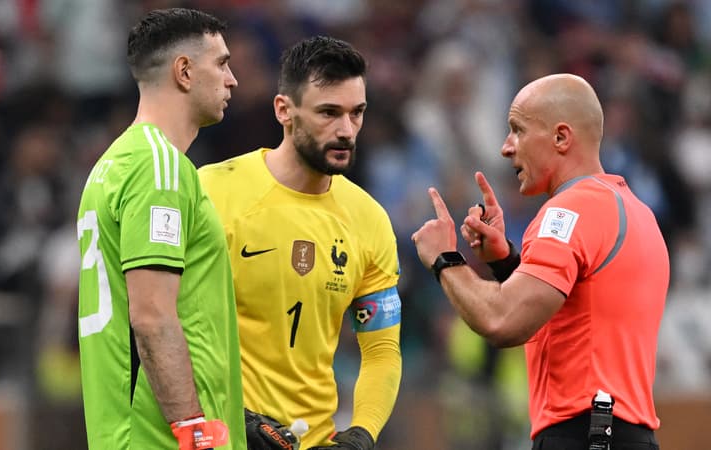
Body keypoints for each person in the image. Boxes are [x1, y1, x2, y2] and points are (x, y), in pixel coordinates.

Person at [411, 73, 668, 450]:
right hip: (626, 434)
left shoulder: (568, 210)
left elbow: (503, 321)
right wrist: (505, 261)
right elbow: (566, 315)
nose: (505, 147)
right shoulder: (638, 212)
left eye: (517, 130)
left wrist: (443, 257)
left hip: (583, 435)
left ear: (561, 138)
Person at [199, 36, 402, 450]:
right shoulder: (212, 193)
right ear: (284, 111)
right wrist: (224, 419)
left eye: (356, 113)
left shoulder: (369, 220)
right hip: (222, 439)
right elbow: (164, 323)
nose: (346, 131)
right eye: (329, 113)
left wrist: (362, 432)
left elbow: (381, 350)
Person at [76, 8, 246, 449]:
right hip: (161, 439)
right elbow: (152, 316)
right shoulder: (159, 166)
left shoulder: (115, 162)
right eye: (222, 64)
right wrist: (194, 431)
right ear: (184, 72)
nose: (232, 81)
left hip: (133, 432)